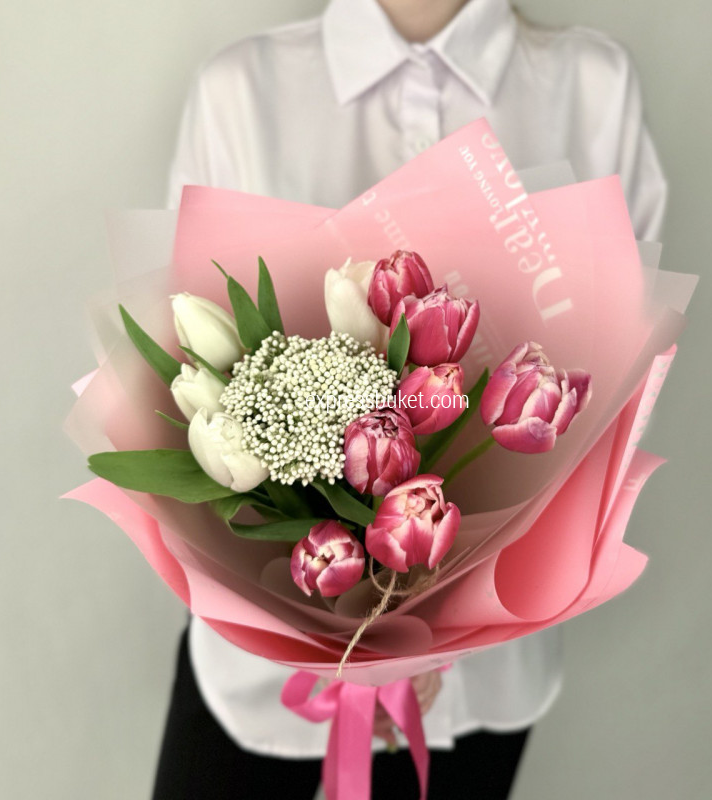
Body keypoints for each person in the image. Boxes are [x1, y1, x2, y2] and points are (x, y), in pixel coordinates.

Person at [155, 1, 667, 797]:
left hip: (486, 672)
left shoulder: (592, 88)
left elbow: (616, 389)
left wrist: (434, 619)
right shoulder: (242, 91)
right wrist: (347, 620)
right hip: (258, 670)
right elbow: (191, 376)